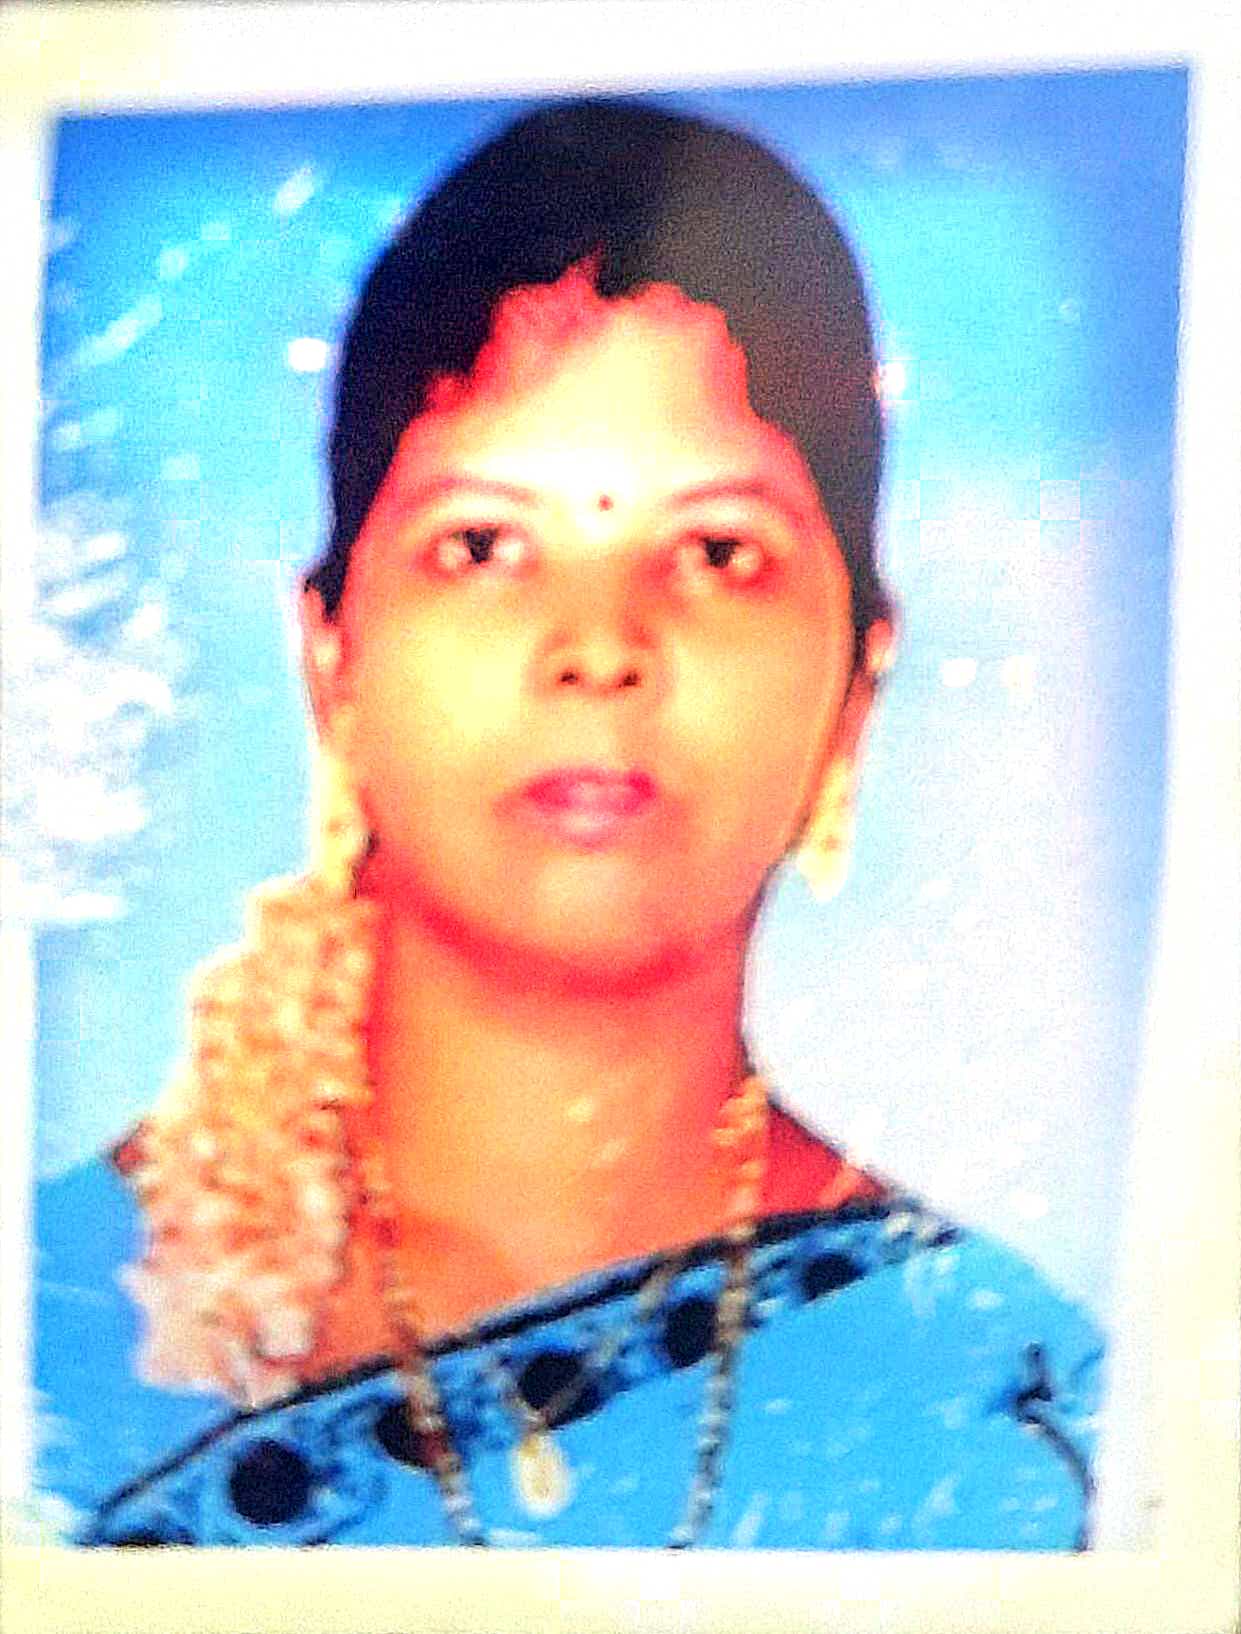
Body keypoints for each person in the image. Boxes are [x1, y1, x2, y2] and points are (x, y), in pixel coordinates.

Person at [36, 97, 1103, 1549]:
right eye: (484, 545)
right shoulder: (44, 1326)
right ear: (331, 658)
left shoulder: (1017, 1416)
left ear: (858, 681)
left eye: (716, 552)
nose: (600, 646)